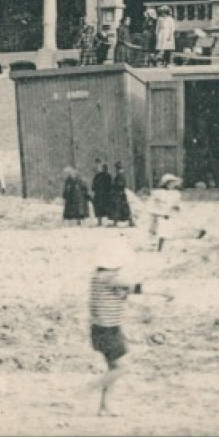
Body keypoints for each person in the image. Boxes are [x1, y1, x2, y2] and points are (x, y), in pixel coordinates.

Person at [89, 240, 149, 417]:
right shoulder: (110, 278)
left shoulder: (99, 278)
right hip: (108, 329)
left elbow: (123, 292)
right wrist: (165, 292)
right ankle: (92, 387)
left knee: (113, 367)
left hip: (102, 328)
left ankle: (104, 407)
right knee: (121, 368)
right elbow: (136, 288)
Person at [106, 162, 134, 227]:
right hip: (120, 193)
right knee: (122, 208)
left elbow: (120, 184)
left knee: (118, 207)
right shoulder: (121, 174)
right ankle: (129, 221)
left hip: (119, 193)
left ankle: (125, 221)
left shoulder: (120, 175)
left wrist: (115, 187)